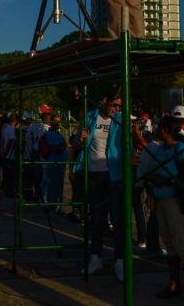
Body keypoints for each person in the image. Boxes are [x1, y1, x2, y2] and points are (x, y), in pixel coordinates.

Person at [74, 87, 125, 282]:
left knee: (118, 220)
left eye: (119, 106)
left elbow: (125, 145)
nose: (116, 109)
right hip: (93, 174)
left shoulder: (120, 120)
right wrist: (80, 139)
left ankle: (119, 261)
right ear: (105, 100)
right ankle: (95, 258)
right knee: (96, 219)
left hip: (113, 174)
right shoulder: (90, 117)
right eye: (114, 105)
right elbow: (77, 144)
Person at [139, 115, 184, 299]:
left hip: (175, 201)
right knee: (169, 244)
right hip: (160, 200)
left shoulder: (181, 148)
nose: (157, 131)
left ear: (166, 130)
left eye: (159, 128)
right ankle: (174, 283)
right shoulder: (160, 148)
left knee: (182, 244)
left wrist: (168, 180)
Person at [40, 114, 68, 213]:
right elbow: (55, 149)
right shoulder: (51, 134)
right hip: (55, 163)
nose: (58, 124)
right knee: (54, 185)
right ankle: (54, 208)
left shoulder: (58, 133)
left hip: (60, 163)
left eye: (59, 122)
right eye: (55, 122)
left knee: (58, 185)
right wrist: (65, 146)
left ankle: (57, 207)